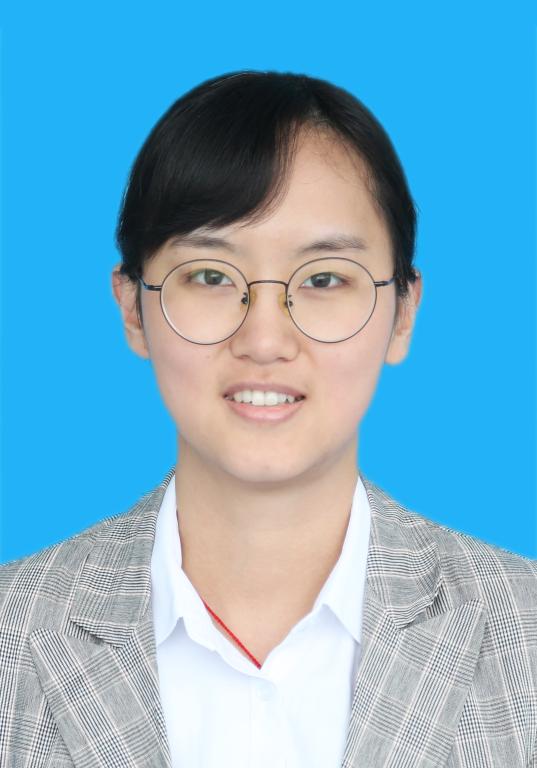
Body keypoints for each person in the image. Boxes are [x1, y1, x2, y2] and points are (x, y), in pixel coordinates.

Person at [0, 70, 535, 768]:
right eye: (210, 277)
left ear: (403, 312)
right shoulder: (14, 630)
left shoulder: (523, 627)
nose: (263, 340)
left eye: (323, 279)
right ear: (132, 308)